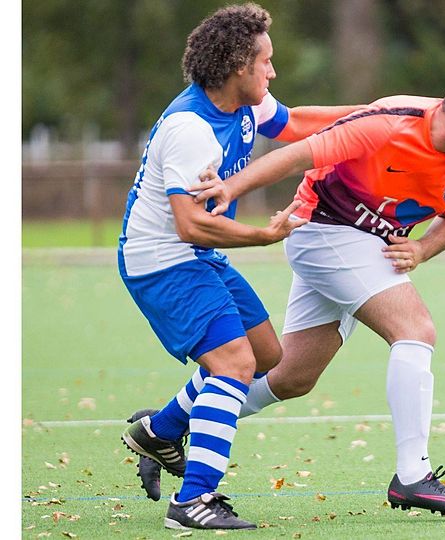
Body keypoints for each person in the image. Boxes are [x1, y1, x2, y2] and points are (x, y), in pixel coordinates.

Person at [185, 60, 445, 516]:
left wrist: (422, 249)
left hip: (366, 250)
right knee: (415, 330)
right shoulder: (389, 124)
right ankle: (413, 476)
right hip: (323, 230)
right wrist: (230, 189)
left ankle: (164, 425)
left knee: (291, 377)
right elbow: (297, 155)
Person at [118, 3, 361, 530]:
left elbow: (296, 123)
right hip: (161, 260)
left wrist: (377, 116)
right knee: (233, 364)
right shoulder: (190, 128)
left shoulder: (247, 103)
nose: (273, 72)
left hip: (198, 256)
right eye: (266, 62)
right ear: (237, 66)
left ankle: (160, 430)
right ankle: (193, 501)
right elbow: (190, 225)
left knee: (267, 357)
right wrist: (263, 236)